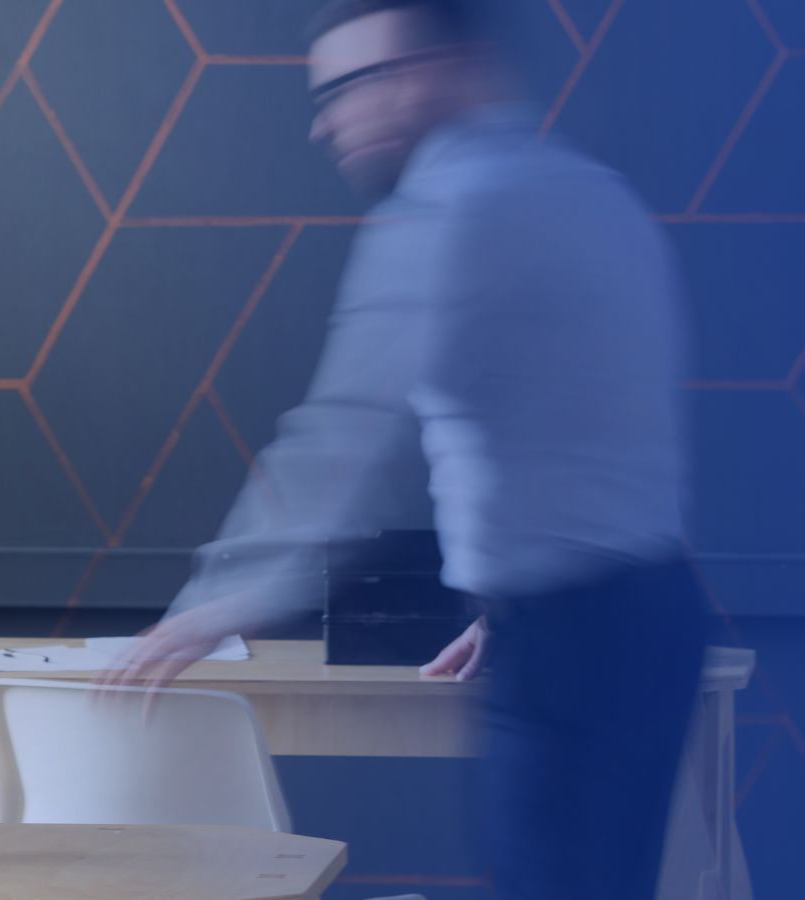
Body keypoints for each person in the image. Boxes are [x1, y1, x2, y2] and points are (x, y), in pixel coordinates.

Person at [104, 3, 702, 898]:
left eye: (354, 85)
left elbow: (344, 430)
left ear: (443, 66)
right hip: (642, 614)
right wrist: (507, 599)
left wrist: (216, 603)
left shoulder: (450, 210)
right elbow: (592, 434)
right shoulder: (590, 192)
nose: (327, 119)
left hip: (573, 643)